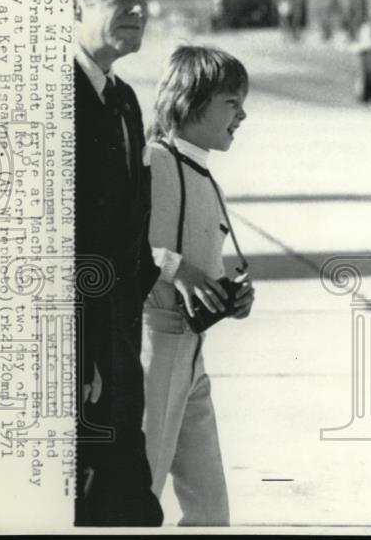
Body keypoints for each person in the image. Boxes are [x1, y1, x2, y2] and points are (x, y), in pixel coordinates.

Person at [141, 46, 256, 525]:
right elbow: (116, 241)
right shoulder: (154, 161)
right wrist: (177, 269)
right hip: (157, 348)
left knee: (210, 510)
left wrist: (230, 293)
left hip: (191, 354)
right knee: (139, 491)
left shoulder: (203, 173)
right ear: (191, 103)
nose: (243, 114)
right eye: (232, 103)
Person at [73, 0, 164, 526]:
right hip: (76, 373)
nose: (137, 10)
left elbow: (128, 239)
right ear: (73, 2)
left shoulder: (125, 100)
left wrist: (182, 281)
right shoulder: (48, 101)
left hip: (120, 365)